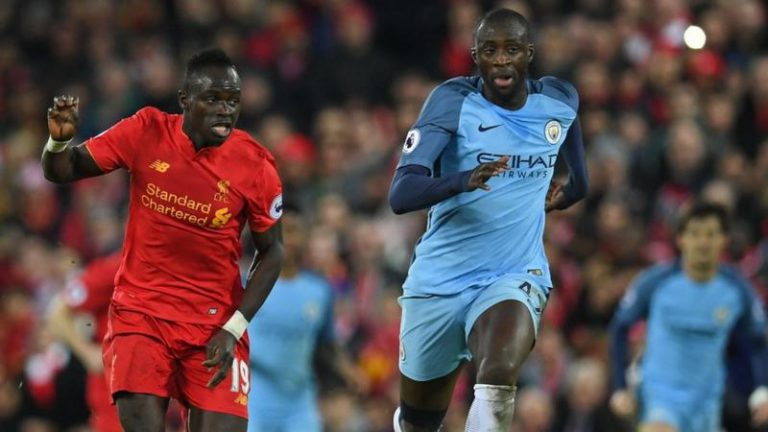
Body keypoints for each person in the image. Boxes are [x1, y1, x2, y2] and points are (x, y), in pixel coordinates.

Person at [41, 48, 285, 432]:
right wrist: (57, 143)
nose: (226, 110)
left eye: (233, 101)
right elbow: (65, 168)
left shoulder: (255, 164)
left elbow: (273, 252)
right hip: (141, 316)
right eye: (213, 99)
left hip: (214, 325)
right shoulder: (146, 131)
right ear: (185, 101)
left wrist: (234, 326)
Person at [388, 8, 588, 432]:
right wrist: (461, 180)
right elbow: (401, 194)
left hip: (514, 273)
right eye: (490, 50)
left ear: (528, 54)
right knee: (418, 422)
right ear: (474, 55)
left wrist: (574, 187)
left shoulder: (558, 100)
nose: (501, 60)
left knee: (497, 376)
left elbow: (573, 152)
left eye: (511, 49)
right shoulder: (453, 101)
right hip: (439, 282)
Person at [609, 202, 768, 432]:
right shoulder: (655, 282)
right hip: (659, 398)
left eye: (711, 235)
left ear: (724, 240)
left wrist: (763, 390)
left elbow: (757, 341)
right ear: (681, 239)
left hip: (707, 404)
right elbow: (620, 328)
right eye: (695, 234)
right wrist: (620, 388)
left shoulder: (737, 289)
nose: (703, 243)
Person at [246, 209, 363, 432]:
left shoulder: (319, 290)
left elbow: (327, 341)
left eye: (294, 231)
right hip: (255, 394)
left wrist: (349, 371)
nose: (289, 238)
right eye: (282, 230)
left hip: (299, 399)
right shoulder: (247, 284)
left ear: (305, 237)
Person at [47, 252, 123, 432]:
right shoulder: (116, 267)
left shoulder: (183, 267)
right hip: (115, 395)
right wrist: (87, 352)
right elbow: (58, 312)